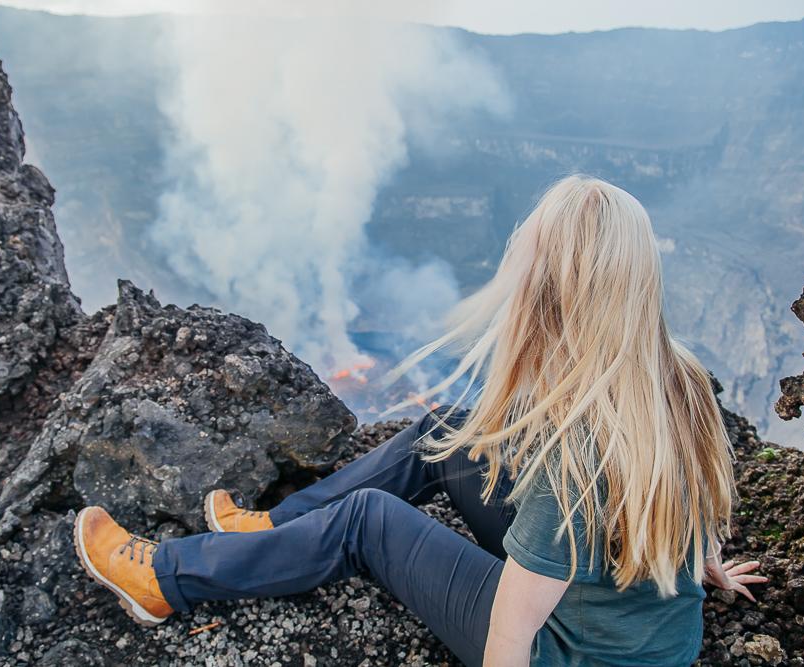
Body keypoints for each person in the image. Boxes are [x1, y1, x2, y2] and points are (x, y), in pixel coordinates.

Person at [73, 175, 767, 666]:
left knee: (367, 521)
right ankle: (276, 526)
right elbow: (679, 489)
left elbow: (512, 634)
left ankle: (166, 580)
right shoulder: (674, 373)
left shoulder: (573, 458)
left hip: (571, 650)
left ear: (549, 289)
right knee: (452, 432)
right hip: (643, 635)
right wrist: (699, 564)